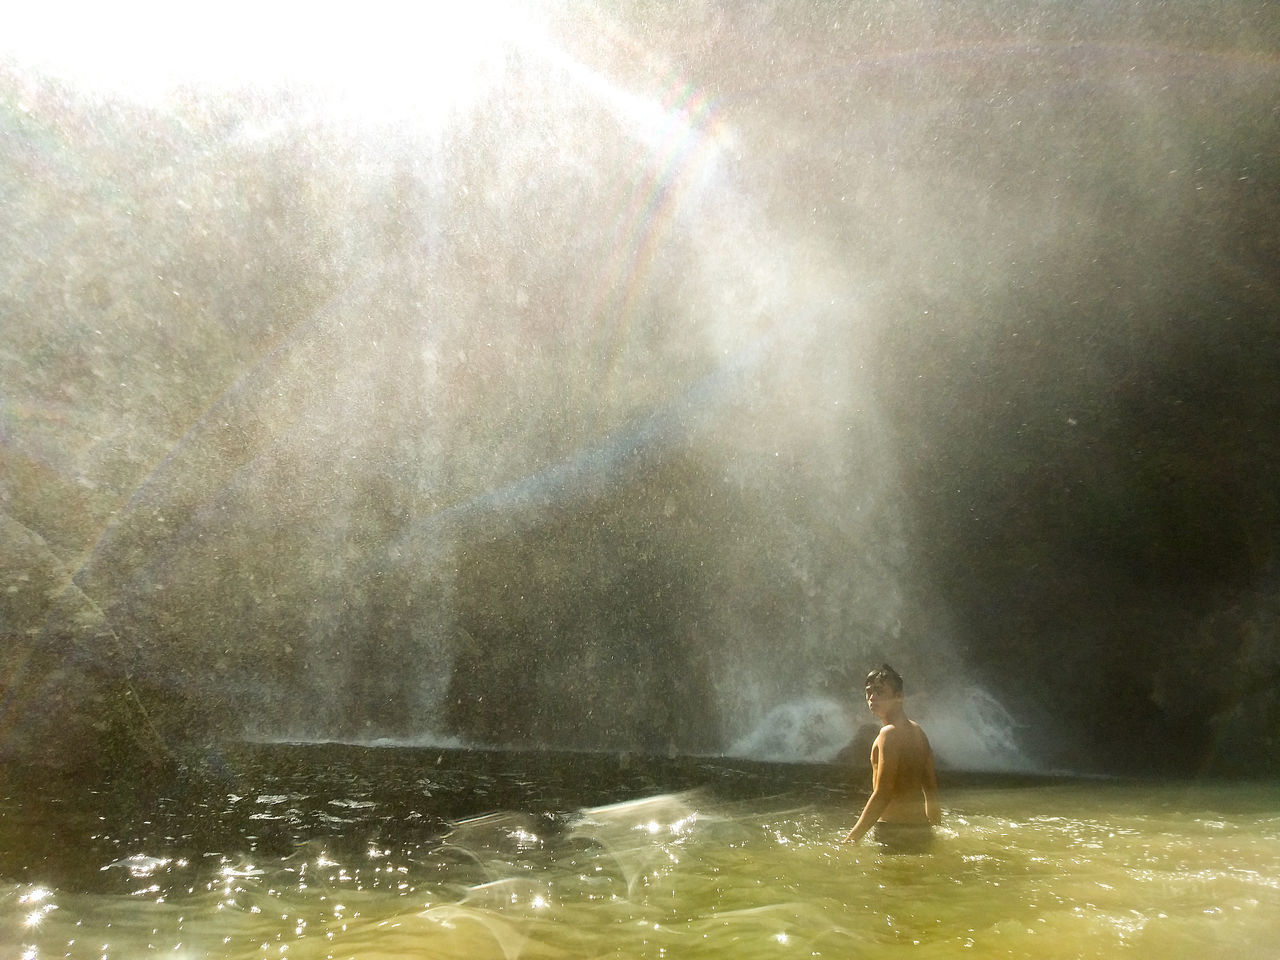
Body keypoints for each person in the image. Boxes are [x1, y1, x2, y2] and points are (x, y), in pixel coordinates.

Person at [842, 664, 941, 852]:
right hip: (921, 830)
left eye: (880, 692)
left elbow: (883, 792)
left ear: (899, 696)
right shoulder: (919, 732)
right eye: (869, 692)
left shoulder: (888, 734)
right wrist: (934, 831)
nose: (872, 697)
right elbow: (931, 790)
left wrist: (851, 838)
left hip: (892, 832)